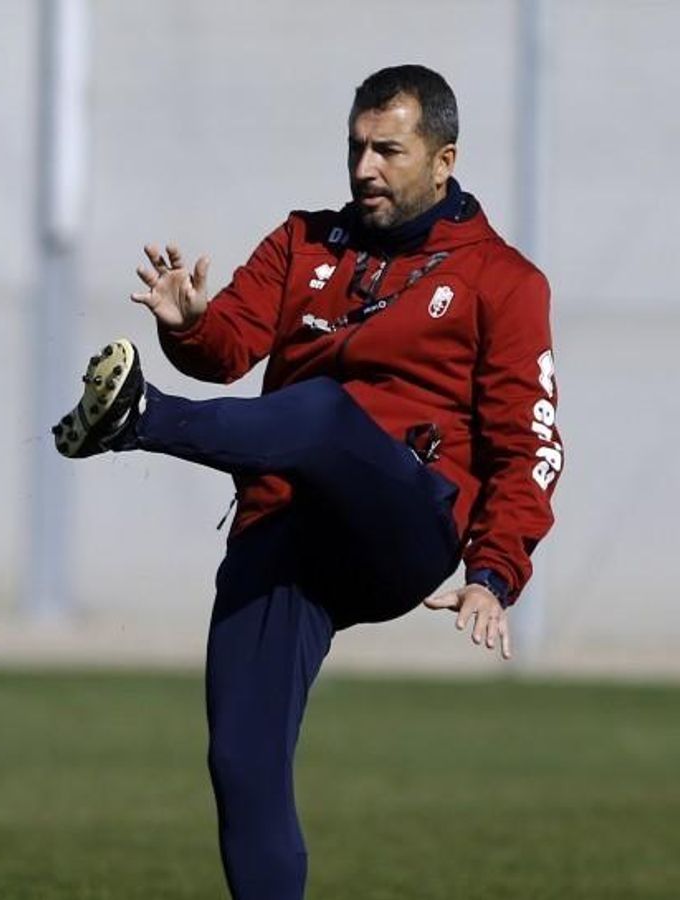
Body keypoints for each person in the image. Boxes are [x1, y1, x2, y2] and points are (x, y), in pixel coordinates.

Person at [52, 65, 561, 899]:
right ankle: (139, 415)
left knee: (322, 415)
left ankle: (138, 419)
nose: (364, 168)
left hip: (402, 522)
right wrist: (190, 325)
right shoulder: (303, 242)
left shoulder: (504, 282)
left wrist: (494, 572)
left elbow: (528, 448)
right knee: (242, 761)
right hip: (286, 527)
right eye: (356, 147)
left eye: (388, 150)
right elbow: (230, 346)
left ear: (445, 159)